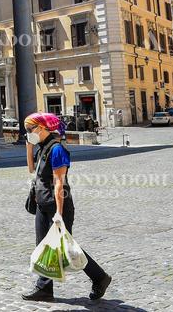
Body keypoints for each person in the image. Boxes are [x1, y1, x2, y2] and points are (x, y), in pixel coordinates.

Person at [22, 112, 111, 303]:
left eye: (30, 129)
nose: (28, 133)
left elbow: (59, 184)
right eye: (26, 130)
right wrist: (29, 146)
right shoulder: (42, 147)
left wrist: (59, 214)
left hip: (57, 206)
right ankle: (44, 289)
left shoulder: (57, 150)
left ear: (42, 128)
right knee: (44, 246)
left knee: (66, 247)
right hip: (42, 204)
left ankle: (100, 277)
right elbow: (32, 171)